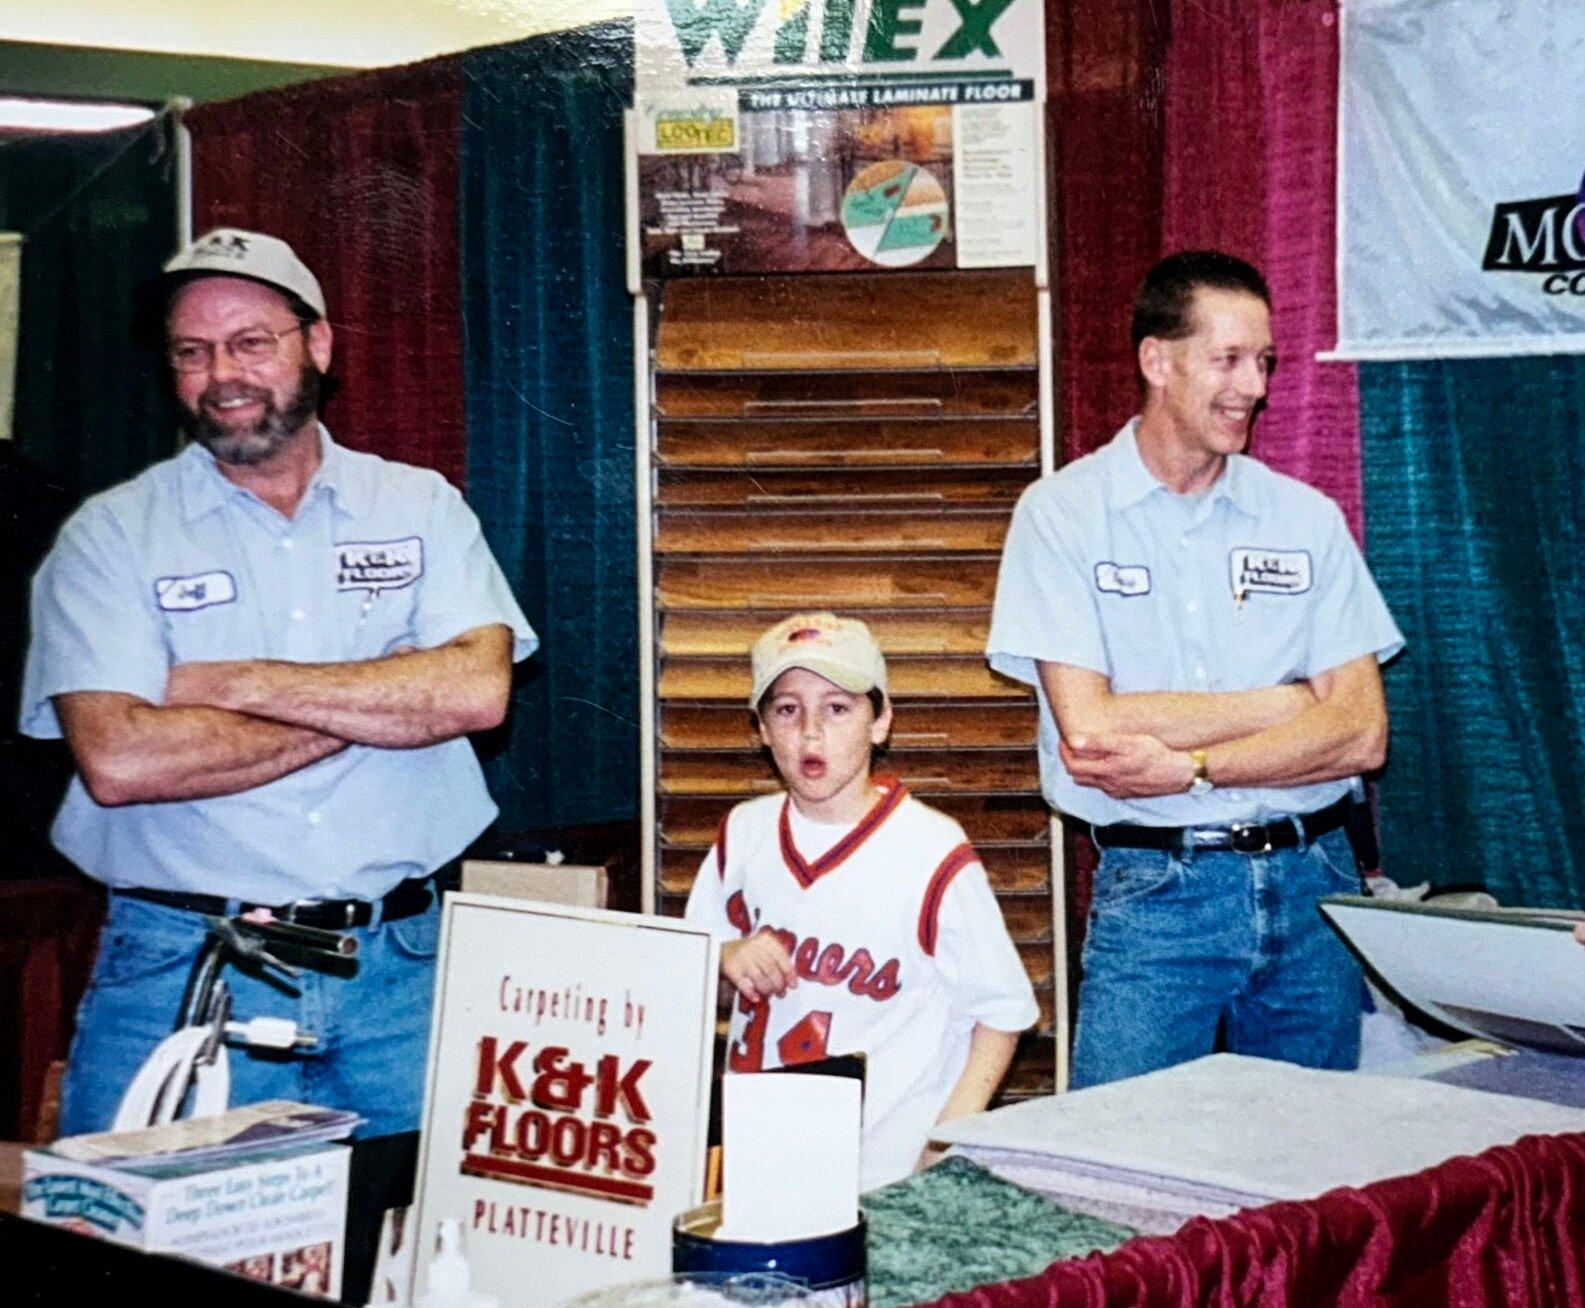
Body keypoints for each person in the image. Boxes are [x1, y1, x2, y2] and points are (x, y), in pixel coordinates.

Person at [20, 228, 536, 1136]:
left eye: (252, 342)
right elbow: (121, 760)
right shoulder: (109, 538)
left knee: (418, 1259)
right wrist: (386, 700)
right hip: (183, 963)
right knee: (143, 1247)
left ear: (319, 346)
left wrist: (232, 681)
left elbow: (475, 694)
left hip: (403, 972)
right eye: (193, 352)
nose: (223, 373)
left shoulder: (418, 507)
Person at [987, 250, 1404, 1089]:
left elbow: (1360, 734)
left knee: (1306, 1184)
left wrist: (1192, 765)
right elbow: (1092, 730)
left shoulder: (1304, 519)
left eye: (1263, 362)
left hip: (1314, 885)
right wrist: (1283, 703)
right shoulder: (1062, 516)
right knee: (1115, 1165)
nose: (1253, 385)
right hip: (1157, 895)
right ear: (1157, 360)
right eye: (1228, 360)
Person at [685, 612, 1037, 1191]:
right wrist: (723, 955)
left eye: (838, 708)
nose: (811, 733)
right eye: (787, 709)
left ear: (881, 721)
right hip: (761, 1158)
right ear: (762, 730)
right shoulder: (742, 834)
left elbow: (1003, 1013)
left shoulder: (931, 850)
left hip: (885, 1170)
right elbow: (690, 977)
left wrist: (946, 1136)